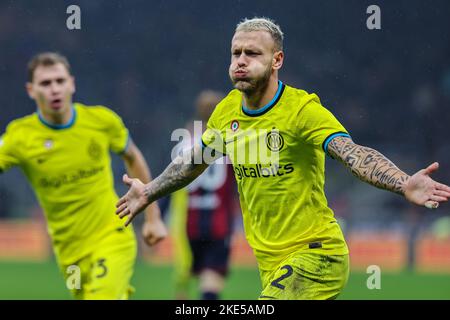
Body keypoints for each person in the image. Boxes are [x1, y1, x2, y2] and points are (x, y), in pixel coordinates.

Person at [115, 17, 450, 300]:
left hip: (318, 255)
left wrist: (403, 182)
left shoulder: (303, 110)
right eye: (236, 53)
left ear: (277, 61)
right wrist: (149, 191)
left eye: (252, 53)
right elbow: (194, 162)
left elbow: (353, 154)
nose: (241, 60)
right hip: (271, 263)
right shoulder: (227, 110)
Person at [0, 52, 167, 299]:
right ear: (31, 90)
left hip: (112, 235)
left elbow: (133, 156)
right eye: (45, 84)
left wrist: (153, 217)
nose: (54, 89)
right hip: (69, 252)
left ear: (72, 83)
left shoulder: (101, 121)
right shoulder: (19, 137)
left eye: (60, 81)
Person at [169, 90, 239, 300]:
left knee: (186, 277)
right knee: (211, 280)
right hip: (219, 222)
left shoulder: (185, 142)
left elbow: (171, 180)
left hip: (190, 223)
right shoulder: (230, 141)